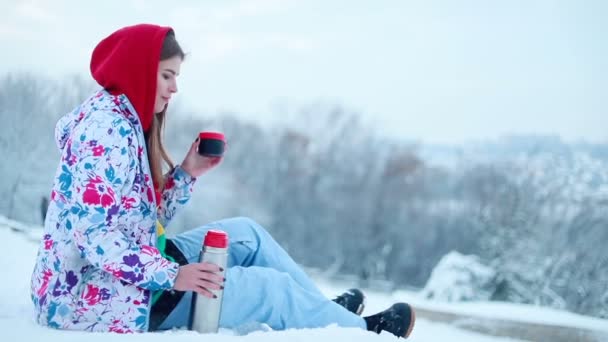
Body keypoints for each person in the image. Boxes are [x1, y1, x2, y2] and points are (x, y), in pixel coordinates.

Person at [29, 24, 416, 338]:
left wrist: (186, 174)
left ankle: (326, 315)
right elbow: (93, 236)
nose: (174, 87)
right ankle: (361, 332)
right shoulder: (104, 131)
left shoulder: (126, 122)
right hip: (93, 298)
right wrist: (173, 275)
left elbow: (136, 218)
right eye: (167, 75)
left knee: (247, 234)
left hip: (134, 271)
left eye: (176, 76)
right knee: (268, 289)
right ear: (138, 70)